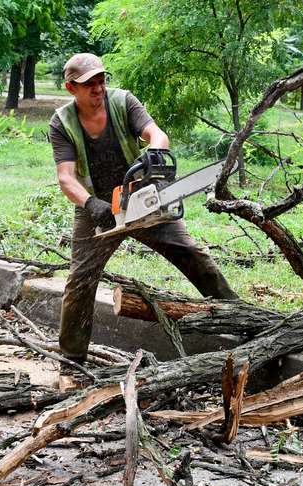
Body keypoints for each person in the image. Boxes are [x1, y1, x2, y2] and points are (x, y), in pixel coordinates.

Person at [49, 53, 237, 386]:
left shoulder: (123, 102)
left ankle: (240, 318)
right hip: (96, 206)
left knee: (192, 254)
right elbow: (66, 177)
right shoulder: (61, 123)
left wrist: (153, 154)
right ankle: (71, 364)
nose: (97, 88)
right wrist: (92, 205)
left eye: (100, 80)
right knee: (80, 280)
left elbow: (157, 134)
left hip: (142, 198)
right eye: (89, 84)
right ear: (71, 88)